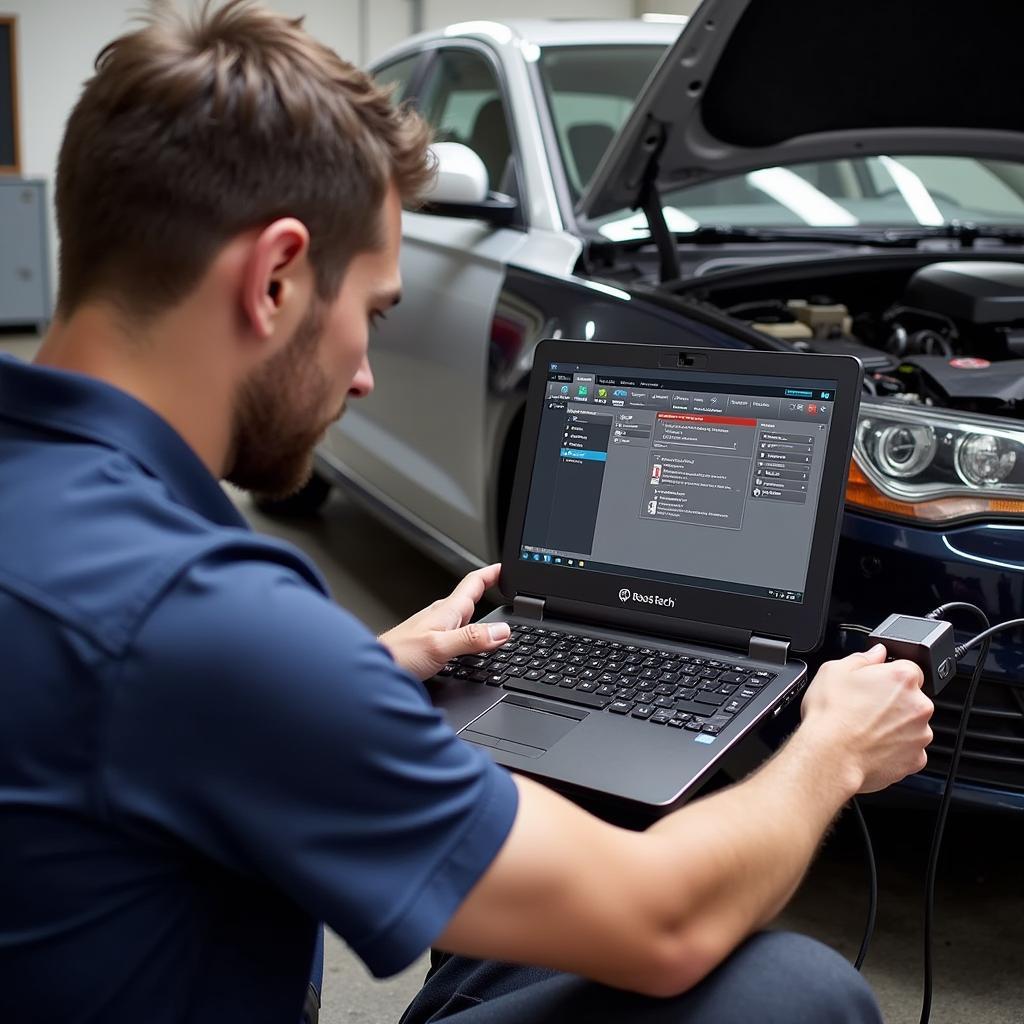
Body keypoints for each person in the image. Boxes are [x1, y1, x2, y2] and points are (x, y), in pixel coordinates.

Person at [0, 3, 933, 1022]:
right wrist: (833, 746)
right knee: (793, 991)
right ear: (273, 278)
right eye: (372, 313)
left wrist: (350, 675)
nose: (362, 375)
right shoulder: (194, 616)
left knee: (535, 886)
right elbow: (660, 926)